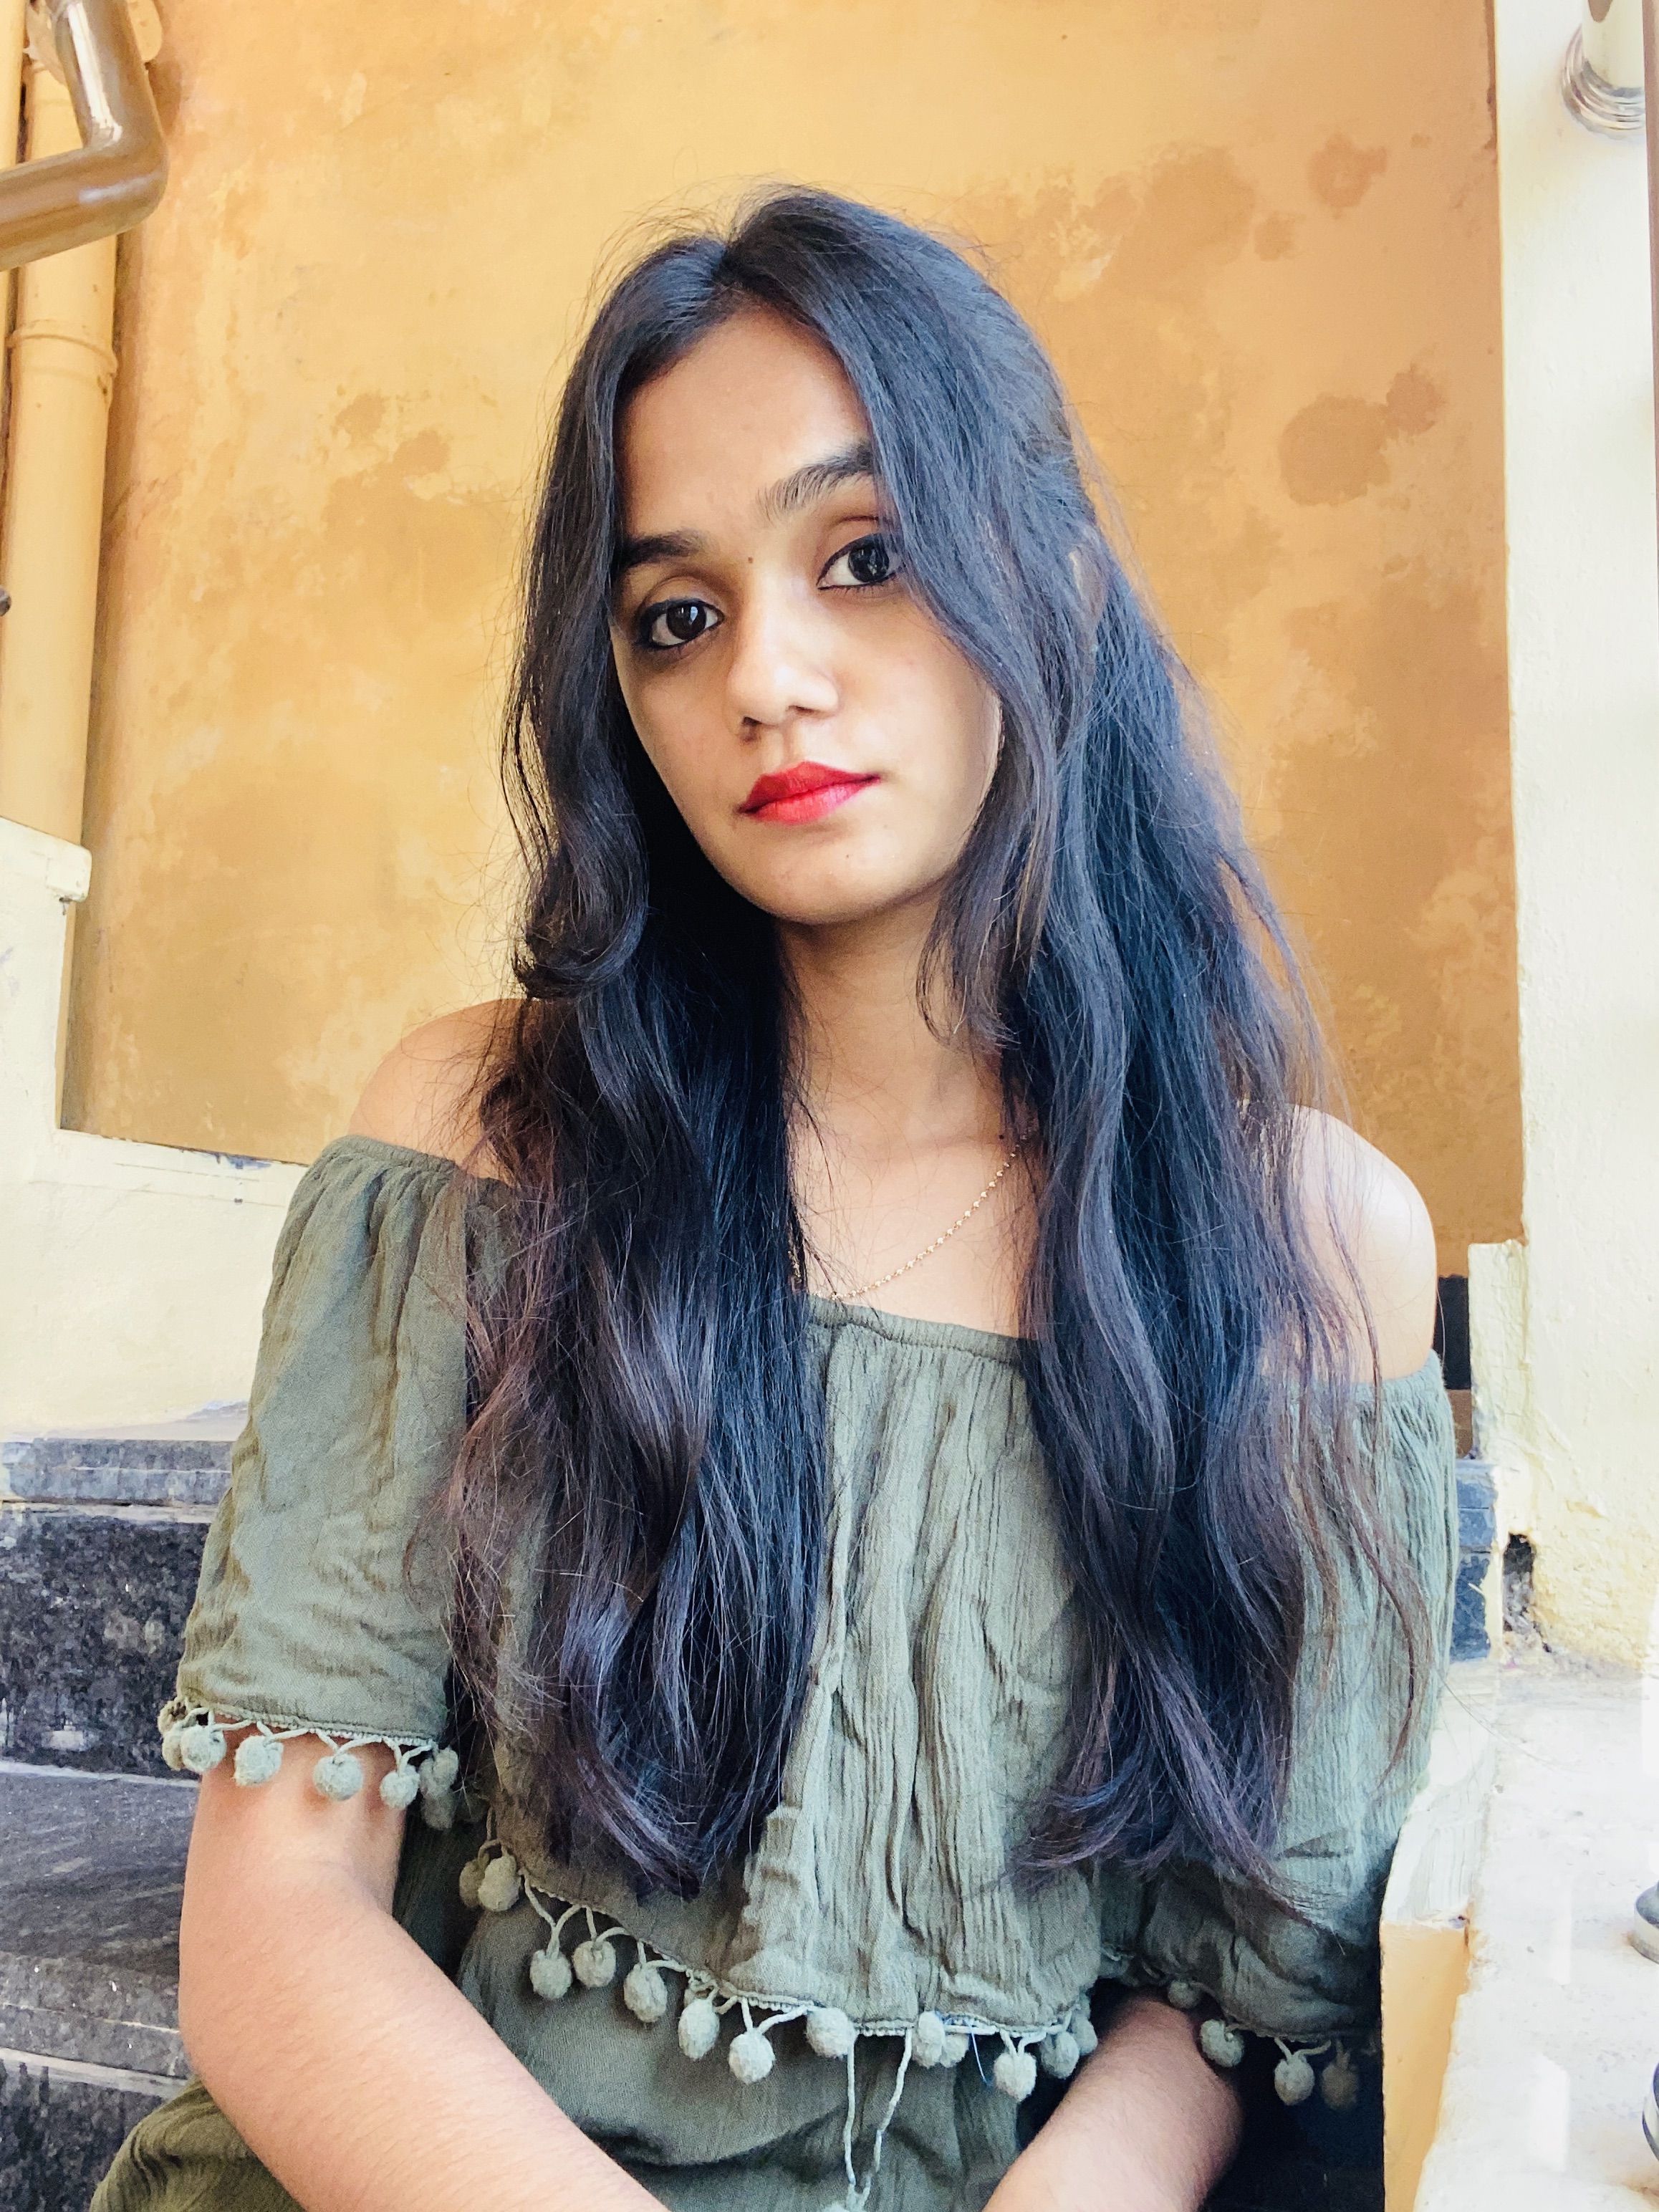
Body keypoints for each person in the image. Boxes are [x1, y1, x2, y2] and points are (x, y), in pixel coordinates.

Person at [96, 188, 1454, 2212]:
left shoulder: (1300, 1249)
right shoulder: (481, 1141)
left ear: (1056, 581)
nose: (768, 678)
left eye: (866, 556)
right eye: (677, 614)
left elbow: (1239, 2000)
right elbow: (280, 1918)